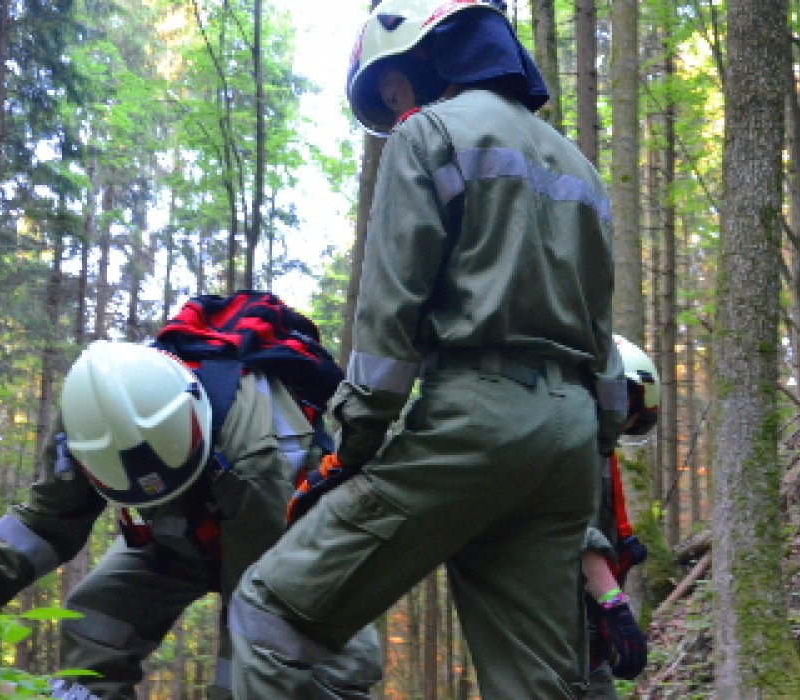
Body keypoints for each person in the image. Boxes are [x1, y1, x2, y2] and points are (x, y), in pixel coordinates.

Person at [227, 1, 628, 698]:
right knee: (538, 683)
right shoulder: (580, 169)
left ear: (426, 60)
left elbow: (390, 318)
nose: (394, 108)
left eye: (392, 90)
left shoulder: (430, 136)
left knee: (270, 610)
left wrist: (347, 450)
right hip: (570, 440)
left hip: (476, 421)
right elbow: (603, 340)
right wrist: (592, 450)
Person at [0, 340, 382, 700]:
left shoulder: (256, 458)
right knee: (92, 625)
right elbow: (41, 526)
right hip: (177, 537)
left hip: (289, 554)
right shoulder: (86, 429)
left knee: (320, 676)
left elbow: (259, 606)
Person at [581, 335, 659, 697]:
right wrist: (615, 606)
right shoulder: (573, 443)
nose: (625, 422)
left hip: (582, 634)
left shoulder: (597, 449)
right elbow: (572, 528)